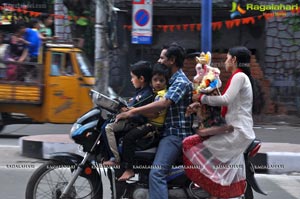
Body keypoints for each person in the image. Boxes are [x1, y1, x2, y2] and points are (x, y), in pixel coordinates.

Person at [183, 46, 264, 199]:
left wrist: (201, 98)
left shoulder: (239, 77)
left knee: (189, 144)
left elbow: (225, 99)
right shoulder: (240, 76)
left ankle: (210, 188)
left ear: (234, 60)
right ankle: (214, 191)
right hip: (234, 129)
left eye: (227, 58)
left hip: (236, 131)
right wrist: (200, 105)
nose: (226, 61)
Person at [116, 43, 193, 199]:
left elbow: (164, 102)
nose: (159, 60)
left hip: (175, 135)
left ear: (172, 60)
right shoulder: (168, 80)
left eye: (162, 57)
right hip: (163, 132)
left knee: (157, 173)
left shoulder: (180, 82)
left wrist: (133, 112)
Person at [118, 63, 169, 181]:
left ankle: (129, 169)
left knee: (129, 137)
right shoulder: (153, 93)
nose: (158, 83)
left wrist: (134, 111)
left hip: (154, 126)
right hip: (150, 124)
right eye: (155, 80)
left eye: (161, 80)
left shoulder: (162, 96)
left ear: (166, 81)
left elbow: (154, 114)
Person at [102, 60, 154, 166]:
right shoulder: (141, 91)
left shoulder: (147, 94)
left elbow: (136, 111)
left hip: (134, 122)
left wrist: (126, 110)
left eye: (132, 77)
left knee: (108, 128)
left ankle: (115, 159)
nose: (131, 80)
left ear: (141, 79)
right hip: (131, 119)